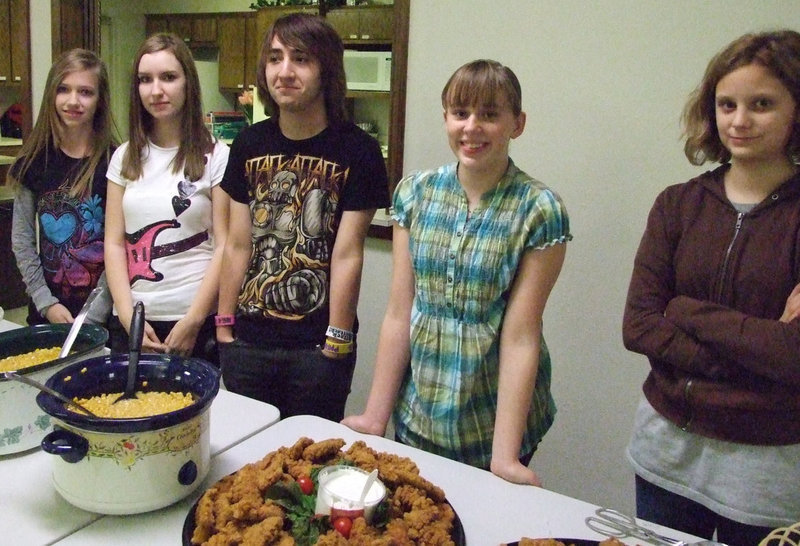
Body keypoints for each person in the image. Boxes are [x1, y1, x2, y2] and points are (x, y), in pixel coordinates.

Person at [342, 60, 571, 486]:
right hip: (418, 415)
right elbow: (399, 312)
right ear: (445, 118)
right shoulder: (415, 193)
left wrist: (504, 459)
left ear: (516, 124)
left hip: (491, 423)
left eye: (489, 114)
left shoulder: (540, 210)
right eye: (460, 113)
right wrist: (376, 416)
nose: (472, 127)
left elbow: (522, 335)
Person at [622, 30, 800, 545]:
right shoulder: (677, 205)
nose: (739, 121)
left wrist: (684, 310)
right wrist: (752, 354)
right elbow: (637, 325)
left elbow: (794, 357)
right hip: (665, 454)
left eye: (761, 104)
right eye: (727, 104)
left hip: (766, 475)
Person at [216, 13, 390, 421]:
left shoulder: (358, 151)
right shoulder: (248, 143)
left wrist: (338, 338)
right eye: (275, 58)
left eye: (301, 59)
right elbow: (238, 245)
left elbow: (348, 255)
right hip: (247, 343)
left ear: (325, 69)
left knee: (310, 462)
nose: (285, 71)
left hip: (317, 349)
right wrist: (223, 327)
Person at [104, 33, 229, 361]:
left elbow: (224, 246)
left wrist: (194, 319)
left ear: (188, 83)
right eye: (146, 80)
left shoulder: (216, 155)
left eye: (169, 77)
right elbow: (114, 243)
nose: (156, 90)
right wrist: (126, 313)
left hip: (194, 319)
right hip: (135, 318)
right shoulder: (124, 157)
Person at [9, 48, 116, 326]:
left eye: (85, 92)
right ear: (51, 95)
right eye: (64, 89)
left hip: (103, 317)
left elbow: (121, 245)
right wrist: (46, 303)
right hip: (46, 313)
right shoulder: (32, 162)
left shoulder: (116, 161)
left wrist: (94, 312)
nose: (73, 101)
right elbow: (22, 242)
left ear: (99, 100)